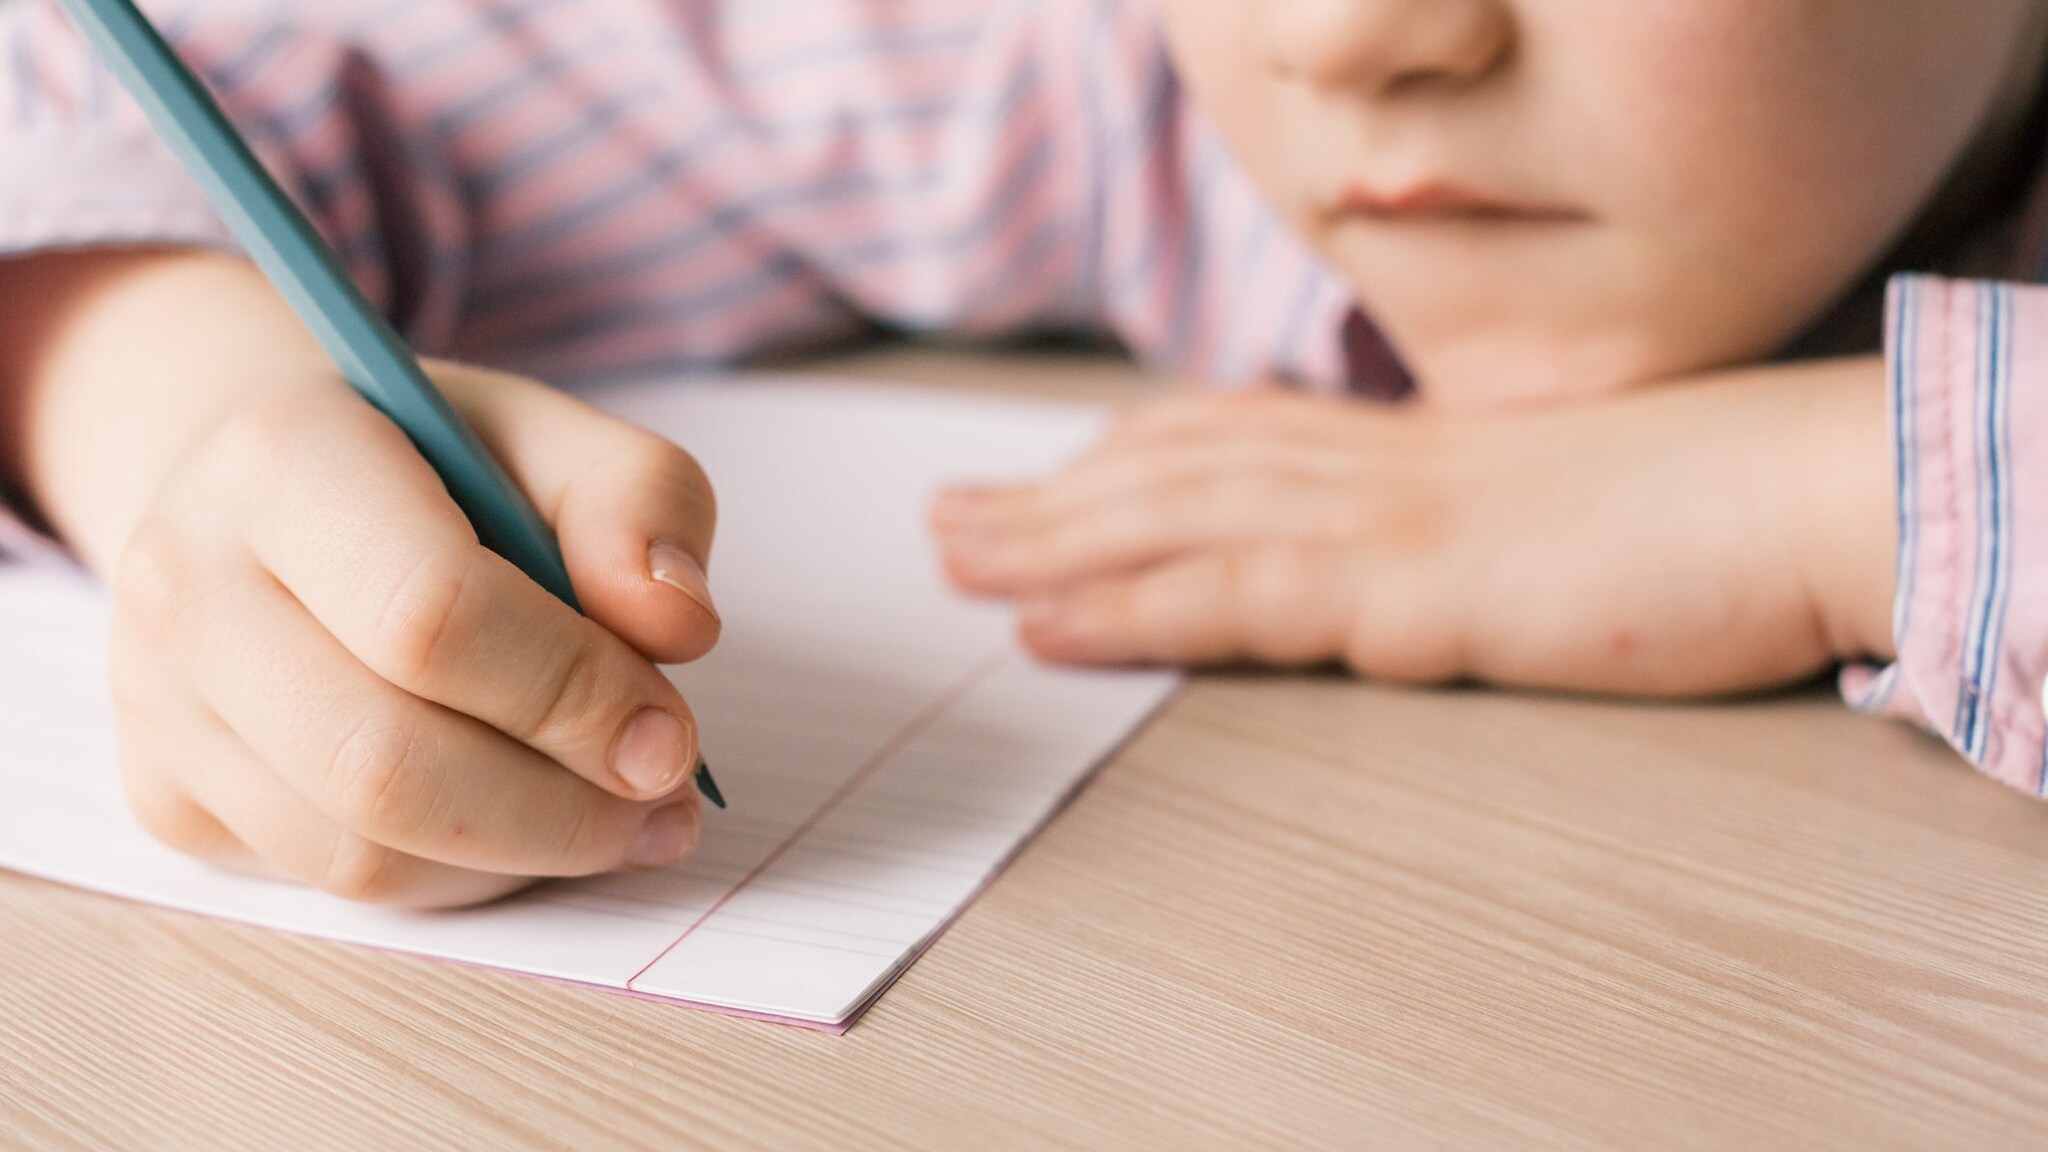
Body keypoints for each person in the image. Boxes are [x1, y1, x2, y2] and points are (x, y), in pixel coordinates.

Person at [1, 0, 2042, 907]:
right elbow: (110, 82)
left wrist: (1826, 496)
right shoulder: (1117, 83)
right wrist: (199, 419)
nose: (1342, 33)